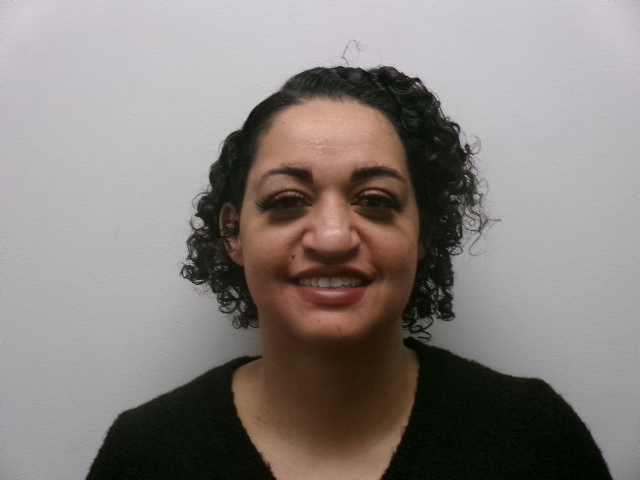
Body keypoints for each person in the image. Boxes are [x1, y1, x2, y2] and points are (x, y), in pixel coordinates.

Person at [87, 66, 611, 479]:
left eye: (376, 200)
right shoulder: (144, 454)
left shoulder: (535, 439)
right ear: (233, 233)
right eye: (287, 200)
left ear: (424, 233)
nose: (333, 238)